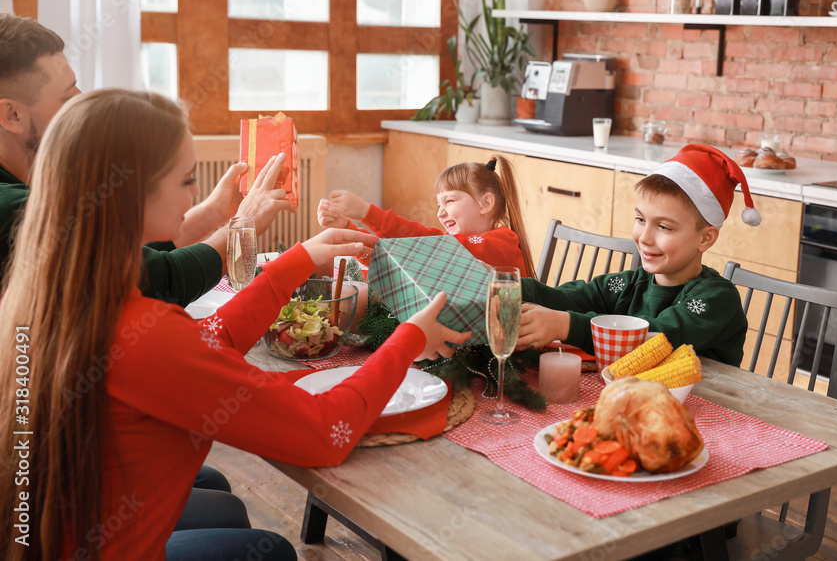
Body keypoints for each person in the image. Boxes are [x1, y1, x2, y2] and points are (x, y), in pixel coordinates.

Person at [0, 89, 471, 561]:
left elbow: (200, 346)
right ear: (130, 195)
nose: (195, 195)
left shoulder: (45, 292)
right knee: (272, 553)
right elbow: (323, 432)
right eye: (186, 179)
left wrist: (297, 261)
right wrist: (410, 337)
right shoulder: (140, 331)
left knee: (223, 502)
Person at [0, 13, 292, 306]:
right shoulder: (14, 208)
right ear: (12, 115)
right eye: (66, 96)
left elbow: (127, 256)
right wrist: (243, 227)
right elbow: (155, 280)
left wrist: (218, 211)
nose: (81, 99)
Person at [516, 144, 757, 366]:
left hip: (704, 408)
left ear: (705, 238)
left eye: (664, 227)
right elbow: (568, 298)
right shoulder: (628, 284)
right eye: (641, 220)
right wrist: (509, 286)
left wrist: (564, 325)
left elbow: (659, 337)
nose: (644, 238)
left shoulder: (717, 298)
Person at [317, 154, 537, 278]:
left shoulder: (502, 242)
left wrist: (368, 213)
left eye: (449, 201)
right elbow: (397, 257)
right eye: (438, 204)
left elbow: (427, 243)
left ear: (485, 203)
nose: (440, 212)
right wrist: (347, 230)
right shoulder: (457, 244)